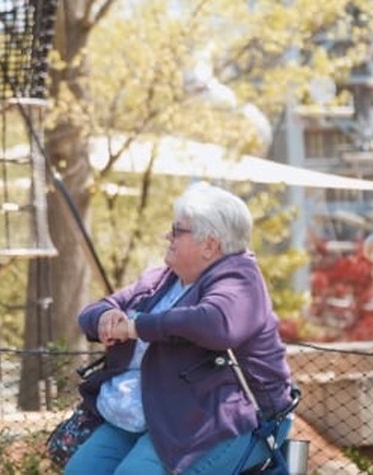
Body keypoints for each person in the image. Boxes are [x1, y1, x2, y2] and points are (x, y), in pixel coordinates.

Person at [64, 182, 294, 475]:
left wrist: (135, 327)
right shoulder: (164, 279)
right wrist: (105, 317)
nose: (167, 236)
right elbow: (92, 311)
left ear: (209, 245)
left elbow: (215, 323)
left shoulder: (239, 279)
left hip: (218, 422)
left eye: (177, 230)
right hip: (148, 413)